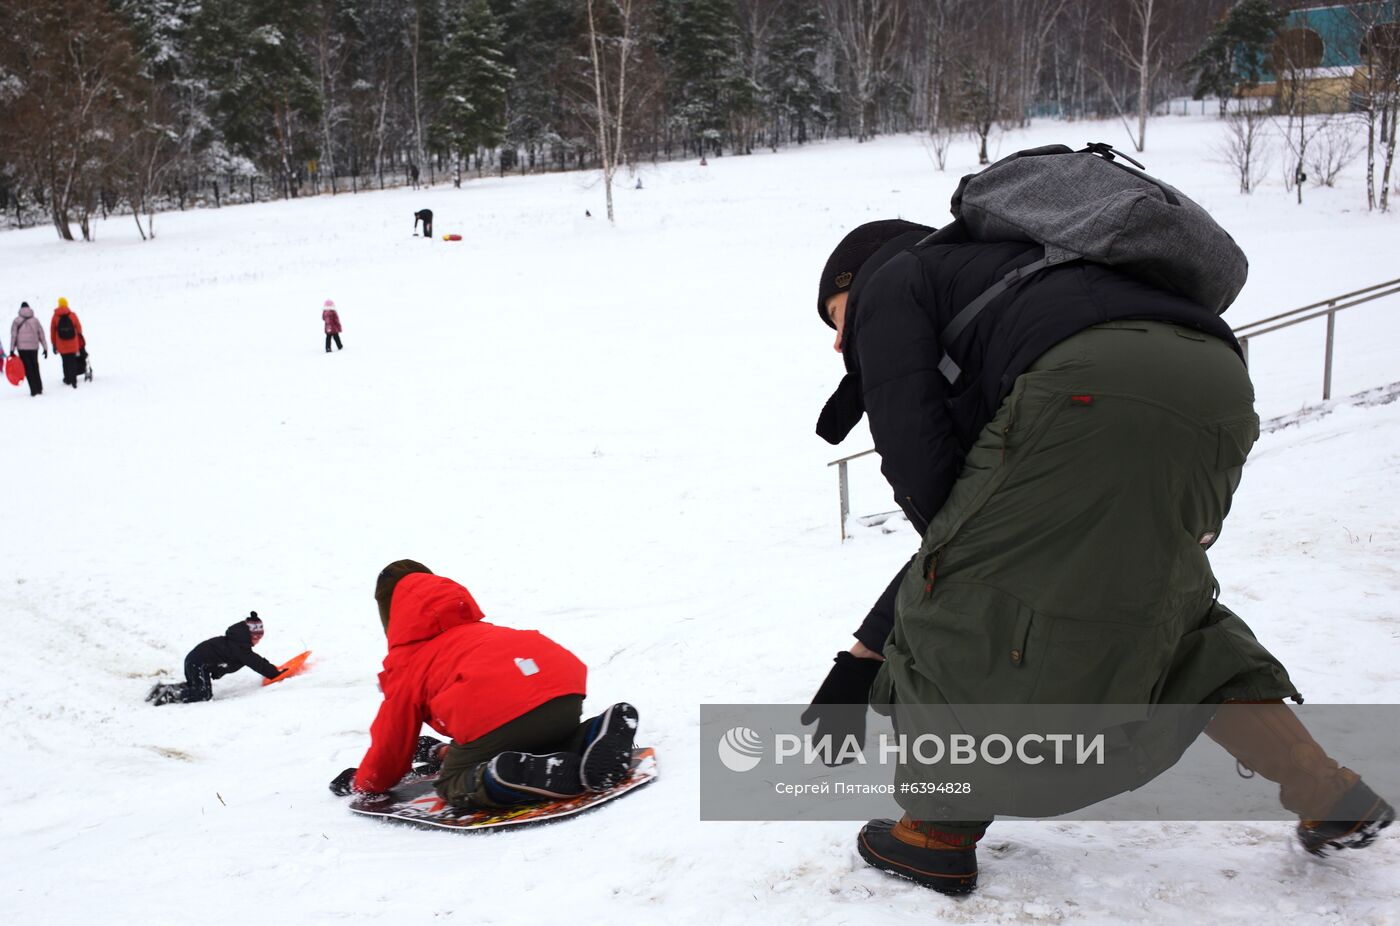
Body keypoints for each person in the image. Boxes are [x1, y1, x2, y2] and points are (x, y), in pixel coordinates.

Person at [804, 219, 1393, 894]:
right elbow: (979, 519)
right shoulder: (1030, 278)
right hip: (1217, 386)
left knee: (954, 611)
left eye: (836, 313)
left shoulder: (896, 280)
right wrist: (868, 649)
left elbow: (932, 494)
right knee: (1164, 607)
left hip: (1084, 387)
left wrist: (901, 629)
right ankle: (1328, 791)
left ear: (863, 275)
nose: (837, 338)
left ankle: (934, 832)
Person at [328, 560, 641, 811]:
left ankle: (506, 775)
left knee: (453, 783)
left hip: (496, 709)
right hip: (561, 689)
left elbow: (392, 741)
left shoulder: (409, 663)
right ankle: (592, 733)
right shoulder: (480, 632)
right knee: (533, 735)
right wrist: (444, 750)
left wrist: (366, 783)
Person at [147, 612, 286, 705]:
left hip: (196, 662)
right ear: (248, 635)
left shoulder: (236, 642)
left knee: (195, 687)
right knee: (203, 694)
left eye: (260, 637)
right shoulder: (239, 646)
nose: (258, 641)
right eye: (256, 637)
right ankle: (169, 695)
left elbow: (254, 659)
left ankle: (161, 689)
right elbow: (256, 662)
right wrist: (275, 673)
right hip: (198, 663)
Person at [9, 301, 47, 397]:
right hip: (34, 347)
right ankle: (39, 388)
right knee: (35, 366)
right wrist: (45, 348)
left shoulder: (16, 321)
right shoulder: (35, 320)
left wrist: (12, 349)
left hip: (22, 349)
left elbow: (13, 336)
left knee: (28, 368)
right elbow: (41, 335)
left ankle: (34, 390)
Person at [49, 297, 84, 389]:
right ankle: (74, 380)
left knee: (65, 361)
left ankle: (67, 379)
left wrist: (53, 343)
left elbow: (52, 331)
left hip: (61, 344)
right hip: (73, 343)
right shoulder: (72, 315)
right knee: (72, 361)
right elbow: (79, 328)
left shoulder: (55, 317)